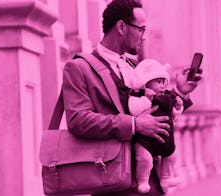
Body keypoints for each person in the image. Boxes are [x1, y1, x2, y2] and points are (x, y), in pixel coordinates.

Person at [61, 0, 201, 195]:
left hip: (152, 184)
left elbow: (156, 110)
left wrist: (180, 92)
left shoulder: (137, 69)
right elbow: (78, 121)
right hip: (113, 185)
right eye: (141, 29)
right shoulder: (79, 67)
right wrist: (134, 124)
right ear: (121, 27)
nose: (144, 37)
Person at [127, 59, 184, 193]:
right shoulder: (138, 95)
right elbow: (133, 110)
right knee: (145, 160)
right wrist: (147, 99)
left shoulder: (168, 96)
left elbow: (174, 114)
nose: (162, 85)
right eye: (158, 82)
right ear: (147, 83)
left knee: (171, 156)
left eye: (163, 82)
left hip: (165, 138)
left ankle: (166, 177)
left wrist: (178, 106)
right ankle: (142, 181)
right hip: (145, 140)